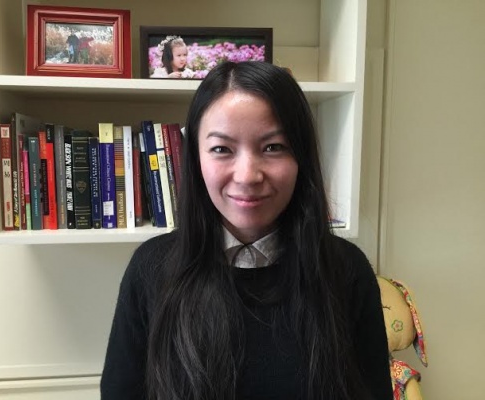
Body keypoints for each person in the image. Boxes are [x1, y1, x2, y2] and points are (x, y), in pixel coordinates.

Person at [101, 61, 392, 400]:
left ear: (301, 157)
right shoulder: (151, 268)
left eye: (273, 147)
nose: (247, 175)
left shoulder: (346, 270)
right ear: (196, 160)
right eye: (222, 149)